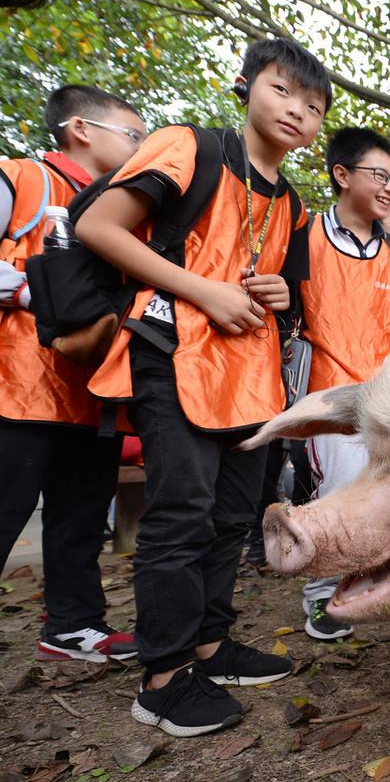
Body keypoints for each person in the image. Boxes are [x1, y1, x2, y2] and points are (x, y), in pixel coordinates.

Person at [79, 38, 333, 737]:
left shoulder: (293, 203)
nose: (296, 112)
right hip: (176, 354)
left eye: (312, 107)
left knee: (231, 517)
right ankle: (162, 680)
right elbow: (98, 224)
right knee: (180, 515)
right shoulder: (189, 147)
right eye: (283, 91)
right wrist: (204, 291)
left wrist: (281, 291)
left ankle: (211, 646)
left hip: (251, 375)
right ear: (245, 84)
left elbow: (282, 287)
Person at [0, 85, 146, 663]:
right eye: (133, 136)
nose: (140, 149)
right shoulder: (23, 179)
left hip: (95, 396)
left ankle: (71, 626)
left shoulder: (126, 209)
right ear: (81, 129)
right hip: (19, 387)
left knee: (81, 517)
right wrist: (38, 293)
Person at [297, 127, 390, 639]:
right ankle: (318, 599)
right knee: (333, 494)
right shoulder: (304, 234)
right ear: (341, 174)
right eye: (380, 176)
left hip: (382, 399)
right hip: (325, 397)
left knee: (385, 491)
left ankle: (368, 590)